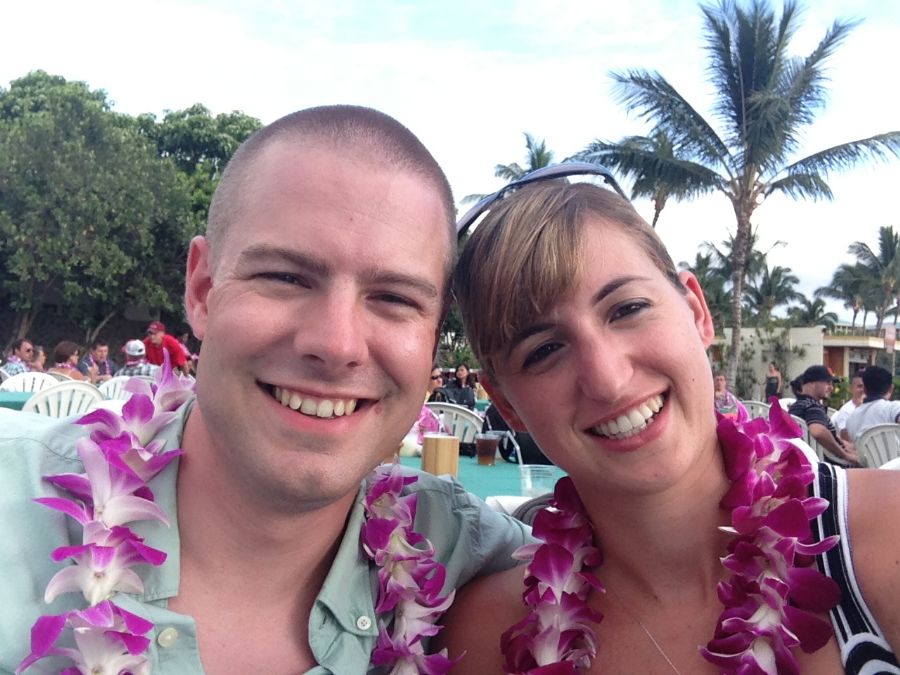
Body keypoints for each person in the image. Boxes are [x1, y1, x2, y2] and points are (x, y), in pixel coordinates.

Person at [0, 105, 530, 674]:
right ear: (202, 290)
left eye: (395, 298)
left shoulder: (454, 541)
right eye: (285, 277)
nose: (336, 343)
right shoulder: (16, 507)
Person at [436, 168, 900, 672]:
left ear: (698, 312)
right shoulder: (484, 638)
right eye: (544, 350)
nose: (608, 380)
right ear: (505, 405)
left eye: (627, 309)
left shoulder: (884, 538)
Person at [789, 365, 860, 466]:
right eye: (827, 383)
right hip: (828, 466)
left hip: (806, 462)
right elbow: (818, 432)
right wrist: (845, 455)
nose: (831, 387)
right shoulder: (812, 406)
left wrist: (850, 449)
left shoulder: (798, 405)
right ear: (812, 383)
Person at [845, 365, 900, 443]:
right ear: (891, 388)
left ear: (864, 389)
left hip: (863, 451)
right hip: (895, 451)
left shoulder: (851, 418)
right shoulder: (893, 407)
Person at [833, 370, 865, 442]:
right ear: (851, 388)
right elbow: (846, 438)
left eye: (867, 386)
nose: (863, 390)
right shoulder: (846, 410)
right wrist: (859, 410)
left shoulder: (874, 407)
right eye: (859, 386)